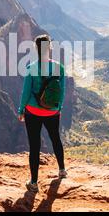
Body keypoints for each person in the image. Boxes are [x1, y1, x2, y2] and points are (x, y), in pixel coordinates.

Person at [18, 34, 67, 193]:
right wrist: (58, 108)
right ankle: (62, 170)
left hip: (33, 111)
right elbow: (62, 90)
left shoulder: (31, 67)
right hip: (52, 111)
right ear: (50, 48)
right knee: (55, 139)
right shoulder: (59, 67)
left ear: (36, 49)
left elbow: (26, 92)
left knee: (34, 146)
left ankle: (33, 183)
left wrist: (21, 110)